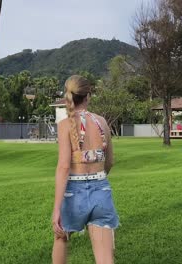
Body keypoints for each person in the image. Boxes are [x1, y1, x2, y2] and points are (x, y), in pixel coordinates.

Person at [52, 75, 119, 264]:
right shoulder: (102, 122)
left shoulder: (65, 125)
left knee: (60, 239)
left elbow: (64, 167)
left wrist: (57, 209)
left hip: (74, 194)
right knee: (105, 259)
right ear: (88, 96)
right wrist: (97, 180)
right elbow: (110, 161)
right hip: (101, 191)